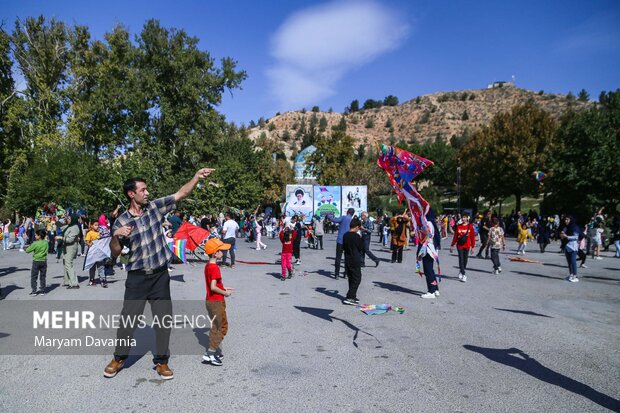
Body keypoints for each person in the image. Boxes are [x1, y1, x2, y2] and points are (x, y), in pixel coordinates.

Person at [103, 167, 214, 380]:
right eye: (143, 190)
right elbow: (115, 252)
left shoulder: (155, 207)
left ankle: (162, 362)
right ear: (131, 194)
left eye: (147, 189)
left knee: (163, 320)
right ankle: (119, 358)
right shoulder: (121, 221)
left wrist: (196, 177)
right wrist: (115, 235)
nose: (147, 193)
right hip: (137, 277)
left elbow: (181, 193)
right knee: (128, 321)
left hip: (160, 276)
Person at [202, 238, 233, 366]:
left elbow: (213, 285)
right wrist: (225, 293)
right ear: (215, 253)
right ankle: (211, 353)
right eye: (221, 250)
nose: (223, 252)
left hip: (211, 300)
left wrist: (224, 288)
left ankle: (214, 349)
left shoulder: (208, 266)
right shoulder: (215, 268)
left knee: (217, 326)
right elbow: (213, 287)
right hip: (216, 301)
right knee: (221, 327)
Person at [342, 217, 364, 305]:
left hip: (347, 258)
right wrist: (360, 235)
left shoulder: (345, 235)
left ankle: (353, 295)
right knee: (357, 278)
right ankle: (350, 296)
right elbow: (361, 248)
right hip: (355, 259)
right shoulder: (356, 236)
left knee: (351, 278)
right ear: (357, 227)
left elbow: (343, 247)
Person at [420, 208, 441, 299]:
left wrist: (419, 231)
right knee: (431, 270)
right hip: (432, 249)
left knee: (428, 270)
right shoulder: (432, 223)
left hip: (428, 249)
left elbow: (426, 235)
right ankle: (435, 289)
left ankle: (431, 291)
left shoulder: (428, 224)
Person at [328, 208, 355, 279]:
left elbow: (335, 220)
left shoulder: (343, 218)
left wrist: (329, 216)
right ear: (353, 214)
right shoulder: (352, 220)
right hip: (348, 241)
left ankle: (336, 274)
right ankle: (345, 274)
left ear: (347, 212)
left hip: (340, 240)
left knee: (338, 258)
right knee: (347, 258)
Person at [450, 212, 476, 282]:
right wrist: (452, 245)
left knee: (465, 260)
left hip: (467, 245)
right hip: (459, 245)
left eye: (465, 217)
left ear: (467, 218)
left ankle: (461, 270)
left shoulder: (470, 226)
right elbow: (455, 236)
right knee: (461, 259)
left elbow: (472, 237)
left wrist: (473, 247)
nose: (464, 219)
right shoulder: (458, 226)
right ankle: (464, 274)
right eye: (463, 217)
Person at [25, 229, 49, 296]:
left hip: (36, 261)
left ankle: (34, 291)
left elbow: (27, 251)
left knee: (34, 276)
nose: (35, 236)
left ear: (39, 236)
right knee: (43, 276)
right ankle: (42, 290)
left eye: (36, 235)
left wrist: (26, 248)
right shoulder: (46, 242)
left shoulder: (35, 243)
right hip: (44, 260)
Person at [85, 221, 107, 287]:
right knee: (92, 267)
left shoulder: (100, 233)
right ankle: (92, 279)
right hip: (92, 253)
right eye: (95, 225)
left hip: (99, 253)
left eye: (98, 225)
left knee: (101, 267)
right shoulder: (89, 233)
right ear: (92, 226)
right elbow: (87, 242)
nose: (97, 226)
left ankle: (103, 280)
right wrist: (90, 243)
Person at [61, 214, 81, 289]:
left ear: (73, 219)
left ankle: (74, 283)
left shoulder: (75, 227)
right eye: (67, 219)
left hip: (71, 247)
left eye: (69, 219)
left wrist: (61, 238)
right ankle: (67, 281)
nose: (67, 220)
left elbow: (70, 239)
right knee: (65, 263)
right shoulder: (69, 226)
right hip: (66, 247)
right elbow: (61, 228)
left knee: (69, 264)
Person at [560, 216, 580, 283]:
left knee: (573, 262)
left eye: (567, 219)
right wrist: (562, 234)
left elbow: (576, 237)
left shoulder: (575, 227)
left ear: (571, 220)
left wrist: (567, 236)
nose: (566, 221)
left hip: (573, 246)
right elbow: (562, 234)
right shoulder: (566, 227)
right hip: (567, 246)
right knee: (569, 262)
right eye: (565, 219)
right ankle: (571, 275)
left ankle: (575, 276)